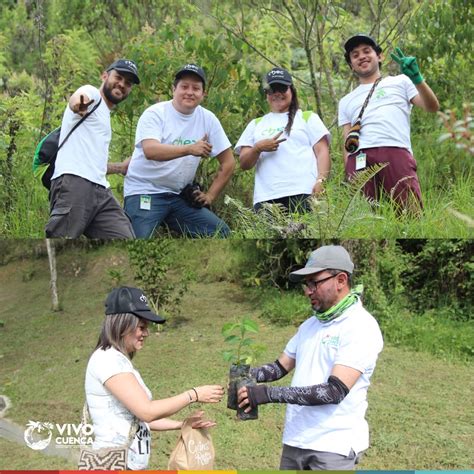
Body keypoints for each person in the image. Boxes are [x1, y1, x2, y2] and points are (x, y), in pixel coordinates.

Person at [237, 245, 383, 470]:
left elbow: (333, 391)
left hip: (334, 446)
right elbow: (279, 367)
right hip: (296, 439)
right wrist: (246, 373)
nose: (308, 291)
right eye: (307, 284)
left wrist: (267, 394)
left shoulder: (361, 326)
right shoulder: (310, 325)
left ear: (341, 280)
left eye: (314, 283)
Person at [85, 286, 224, 470]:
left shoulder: (118, 361)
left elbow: (141, 418)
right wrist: (194, 394)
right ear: (122, 324)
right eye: (141, 327)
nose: (146, 333)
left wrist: (181, 424)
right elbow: (146, 411)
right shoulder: (108, 360)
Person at [124, 64, 235, 238]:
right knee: (140, 238)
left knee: (222, 233)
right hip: (144, 192)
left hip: (178, 197)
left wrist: (210, 196)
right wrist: (189, 149)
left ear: (203, 94)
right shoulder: (155, 113)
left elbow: (228, 162)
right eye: (184, 87)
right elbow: (150, 150)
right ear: (173, 89)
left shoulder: (208, 119)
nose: (190, 92)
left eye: (196, 88)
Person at [338, 34, 439, 212]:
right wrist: (349, 170)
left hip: (395, 151)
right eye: (355, 55)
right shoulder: (346, 101)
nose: (361, 56)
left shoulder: (400, 81)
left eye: (367, 51)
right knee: (366, 219)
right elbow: (347, 141)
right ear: (351, 65)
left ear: (379, 56)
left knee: (409, 212)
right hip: (359, 159)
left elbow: (432, 107)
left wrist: (418, 79)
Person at [46, 59, 140, 238]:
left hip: (101, 191)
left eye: (128, 83)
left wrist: (120, 167)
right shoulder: (92, 95)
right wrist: (78, 104)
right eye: (118, 77)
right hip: (75, 183)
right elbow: (79, 97)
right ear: (105, 76)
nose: (122, 84)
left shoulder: (104, 115)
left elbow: (93, 162)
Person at [235, 67, 330, 212]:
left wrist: (321, 180)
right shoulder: (256, 124)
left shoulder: (307, 118)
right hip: (266, 197)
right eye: (273, 89)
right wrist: (258, 148)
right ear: (266, 93)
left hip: (303, 192)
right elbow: (244, 163)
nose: (277, 94)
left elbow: (322, 152)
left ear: (291, 90)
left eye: (282, 88)